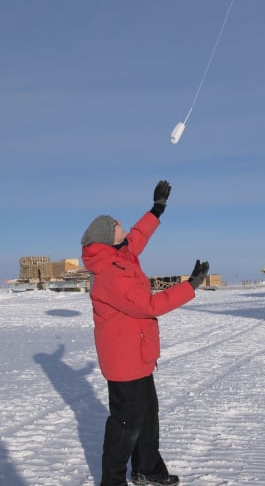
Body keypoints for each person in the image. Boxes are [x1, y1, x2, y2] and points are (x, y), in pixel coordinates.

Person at [81, 179, 209, 486]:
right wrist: (189, 286)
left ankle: (147, 469)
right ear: (108, 237)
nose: (121, 225)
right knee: (125, 425)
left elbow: (137, 238)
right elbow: (149, 305)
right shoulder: (111, 274)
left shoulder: (119, 256)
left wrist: (157, 209)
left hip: (137, 355)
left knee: (148, 417)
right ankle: (112, 481)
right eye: (116, 225)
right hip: (124, 363)